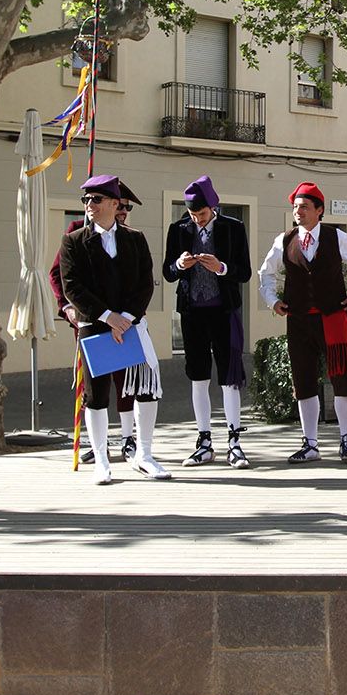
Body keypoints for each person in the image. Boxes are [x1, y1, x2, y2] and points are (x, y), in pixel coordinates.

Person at [58, 175, 171, 484]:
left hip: (132, 324)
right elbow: (72, 287)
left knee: (145, 389)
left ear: (113, 204)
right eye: (86, 200)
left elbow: (145, 284)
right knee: (96, 395)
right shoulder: (74, 241)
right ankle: (102, 461)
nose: (88, 205)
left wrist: (128, 317)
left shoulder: (135, 239)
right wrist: (108, 317)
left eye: (95, 199)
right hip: (95, 326)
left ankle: (144, 455)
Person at [258, 181, 347, 464]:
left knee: (342, 378)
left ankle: (346, 440)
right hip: (298, 321)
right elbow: (265, 273)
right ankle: (310, 443)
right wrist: (273, 301)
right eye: (296, 207)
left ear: (319, 210)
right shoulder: (284, 240)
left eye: (304, 207)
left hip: (332, 318)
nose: (298, 212)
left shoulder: (336, 237)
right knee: (304, 380)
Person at [164, 176, 253, 469]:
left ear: (213, 207)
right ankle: (204, 441)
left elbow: (244, 272)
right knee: (198, 376)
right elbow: (167, 271)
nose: (197, 219)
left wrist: (221, 267)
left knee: (229, 377)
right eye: (192, 214)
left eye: (201, 214)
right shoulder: (178, 230)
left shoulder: (234, 228)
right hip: (192, 312)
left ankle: (234, 442)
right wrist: (179, 265)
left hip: (224, 311)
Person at [51, 210, 137, 466]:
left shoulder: (129, 237)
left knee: (126, 382)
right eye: (119, 206)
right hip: (91, 319)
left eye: (127, 208)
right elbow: (59, 274)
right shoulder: (77, 231)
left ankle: (127, 439)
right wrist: (66, 307)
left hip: (124, 322)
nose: (123, 212)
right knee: (94, 387)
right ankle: (99, 445)